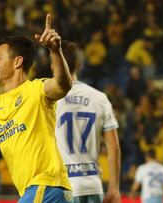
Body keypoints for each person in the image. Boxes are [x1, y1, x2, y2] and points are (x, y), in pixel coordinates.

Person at [0, 14, 73, 202]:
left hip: (46, 185)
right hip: (35, 190)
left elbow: (63, 85)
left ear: (17, 62)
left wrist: (55, 51)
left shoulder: (37, 90)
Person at [54, 41, 121, 203]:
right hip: (92, 185)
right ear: (80, 65)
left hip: (61, 187)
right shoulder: (100, 98)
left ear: (53, 65)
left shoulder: (48, 99)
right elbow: (113, 146)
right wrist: (114, 188)